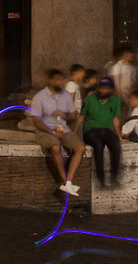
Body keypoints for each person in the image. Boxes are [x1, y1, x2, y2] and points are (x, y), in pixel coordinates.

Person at [29, 67, 87, 197]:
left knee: (80, 147)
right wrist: (51, 131)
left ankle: (68, 182)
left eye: (62, 80)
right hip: (47, 130)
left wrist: (65, 114)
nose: (60, 83)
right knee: (55, 147)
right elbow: (36, 121)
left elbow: (72, 115)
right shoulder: (39, 97)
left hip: (64, 129)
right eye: (57, 80)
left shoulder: (65, 95)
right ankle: (65, 181)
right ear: (50, 81)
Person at [83, 76, 129, 187]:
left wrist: (118, 135)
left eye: (106, 88)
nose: (103, 90)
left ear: (111, 90)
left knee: (116, 146)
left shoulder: (115, 100)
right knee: (99, 146)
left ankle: (114, 177)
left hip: (106, 130)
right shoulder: (90, 99)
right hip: (91, 130)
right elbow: (81, 117)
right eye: (101, 88)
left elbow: (115, 120)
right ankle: (101, 178)